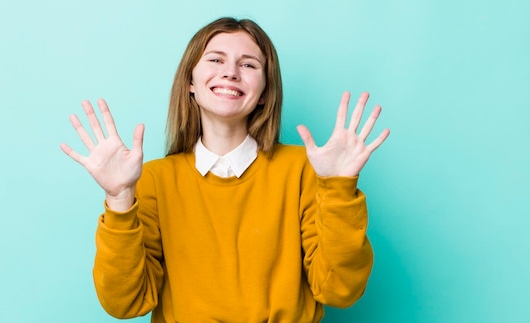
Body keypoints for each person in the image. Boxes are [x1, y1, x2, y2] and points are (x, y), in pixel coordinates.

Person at [61, 17, 389, 322]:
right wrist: (119, 199)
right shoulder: (151, 180)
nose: (231, 72)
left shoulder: (303, 169)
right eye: (216, 59)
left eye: (248, 64)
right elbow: (125, 302)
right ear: (190, 81)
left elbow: (339, 290)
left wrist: (339, 189)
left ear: (264, 93)